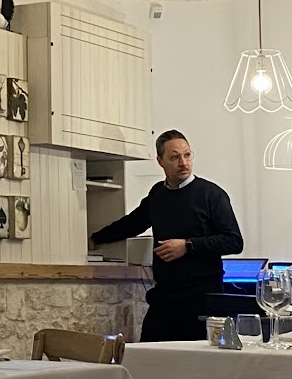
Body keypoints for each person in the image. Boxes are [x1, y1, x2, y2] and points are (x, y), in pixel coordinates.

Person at [90, 130, 243, 341]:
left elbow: (234, 241)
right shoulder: (157, 194)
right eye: (174, 157)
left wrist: (187, 245)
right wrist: (95, 239)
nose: (183, 163)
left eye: (187, 155)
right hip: (165, 294)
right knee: (147, 354)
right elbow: (132, 224)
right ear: (160, 161)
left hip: (202, 296)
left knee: (195, 359)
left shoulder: (212, 194)